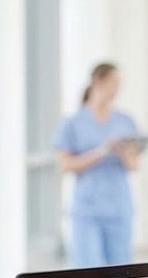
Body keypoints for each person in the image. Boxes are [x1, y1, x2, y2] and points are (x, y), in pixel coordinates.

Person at [54, 63, 141, 266]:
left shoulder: (125, 121)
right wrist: (102, 151)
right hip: (87, 211)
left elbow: (134, 166)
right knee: (88, 274)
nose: (117, 89)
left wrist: (124, 153)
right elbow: (65, 165)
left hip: (119, 208)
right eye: (114, 83)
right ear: (97, 82)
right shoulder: (73, 123)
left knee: (120, 275)